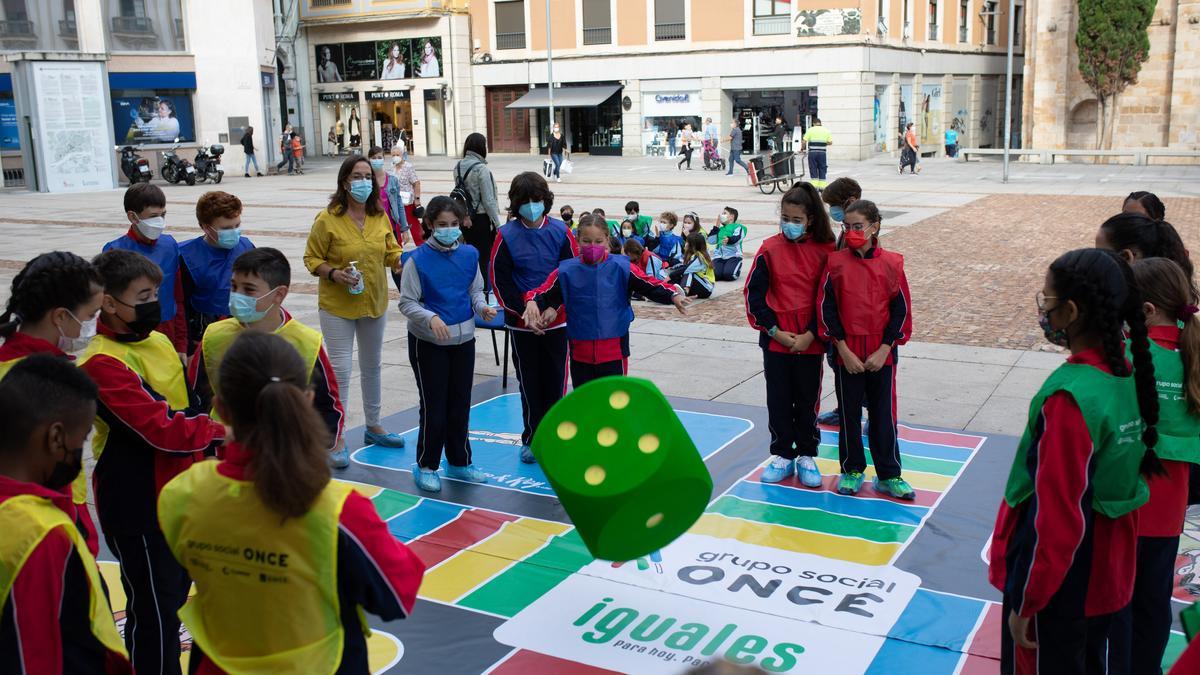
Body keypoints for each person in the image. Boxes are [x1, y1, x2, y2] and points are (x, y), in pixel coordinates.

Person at [158, 332, 425, 674]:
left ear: (220, 409)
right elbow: (396, 597)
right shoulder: (340, 511)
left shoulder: (181, 494)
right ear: (308, 399)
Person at [988, 248, 1160, 673]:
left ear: (1069, 311)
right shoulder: (1131, 368)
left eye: (1046, 300)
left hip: (1062, 583)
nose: (1042, 310)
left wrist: (1030, 600)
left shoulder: (1070, 398)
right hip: (1108, 572)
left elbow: (1059, 518)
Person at [81, 249, 226, 675]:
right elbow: (159, 428)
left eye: (156, 293)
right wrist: (226, 432)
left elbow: (194, 403)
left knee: (186, 598)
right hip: (139, 502)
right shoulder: (99, 359)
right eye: (143, 295)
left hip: (187, 493)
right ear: (109, 302)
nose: (155, 304)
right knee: (155, 610)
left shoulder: (158, 340)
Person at [0, 355, 132, 674]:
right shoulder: (41, 533)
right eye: (84, 437)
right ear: (56, 437)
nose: (80, 450)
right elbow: (33, 655)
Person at [1106, 257, 1200, 673]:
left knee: (1117, 599)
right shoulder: (1192, 350)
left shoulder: (1126, 354)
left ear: (1144, 309)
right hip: (1170, 504)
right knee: (1154, 596)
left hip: (1124, 500)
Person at [189, 246, 347, 467]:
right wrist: (207, 452)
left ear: (279, 294)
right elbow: (196, 400)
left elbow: (328, 407)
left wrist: (310, 453)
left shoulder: (307, 342)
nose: (237, 296)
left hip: (285, 460)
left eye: (249, 289)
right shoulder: (214, 335)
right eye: (234, 287)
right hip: (224, 455)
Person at [0, 252, 105, 556]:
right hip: (41, 530)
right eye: (90, 316)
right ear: (60, 316)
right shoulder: (39, 379)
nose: (93, 326)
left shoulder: (29, 364)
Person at [303, 155, 406, 451]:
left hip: (374, 301)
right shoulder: (328, 219)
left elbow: (391, 250)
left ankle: (374, 425)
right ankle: (336, 437)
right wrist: (334, 273)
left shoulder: (379, 215)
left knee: (373, 365)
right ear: (345, 182)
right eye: (356, 176)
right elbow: (312, 259)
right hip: (338, 306)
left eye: (367, 176)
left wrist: (399, 261)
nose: (362, 181)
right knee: (340, 371)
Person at [817, 200, 915, 500]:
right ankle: (852, 469)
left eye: (857, 226)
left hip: (880, 352)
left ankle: (889, 474)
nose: (851, 232)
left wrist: (885, 348)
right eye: (846, 226)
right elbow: (826, 310)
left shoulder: (892, 263)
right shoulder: (835, 264)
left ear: (874, 227)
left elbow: (901, 311)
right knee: (848, 414)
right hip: (848, 351)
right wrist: (842, 349)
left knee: (883, 415)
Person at [398, 197, 497, 492]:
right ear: (429, 225)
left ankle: (460, 461)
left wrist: (482, 308)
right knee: (434, 407)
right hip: (429, 344)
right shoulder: (416, 260)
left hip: (463, 340)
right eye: (442, 225)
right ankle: (427, 465)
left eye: (454, 224)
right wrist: (430, 318)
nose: (449, 230)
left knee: (460, 404)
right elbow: (407, 302)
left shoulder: (469, 255)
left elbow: (475, 290)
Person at [524, 215, 687, 388]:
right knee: (586, 403)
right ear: (578, 240)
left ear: (607, 240)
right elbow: (543, 292)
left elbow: (649, 284)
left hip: (615, 351)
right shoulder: (566, 270)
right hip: (581, 353)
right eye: (586, 241)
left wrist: (673, 295)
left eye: (598, 241)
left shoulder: (622, 267)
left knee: (613, 403)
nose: (593, 246)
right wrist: (532, 302)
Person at [746, 183, 838, 486]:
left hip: (810, 342)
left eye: (796, 220)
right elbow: (754, 295)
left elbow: (831, 296)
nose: (790, 225)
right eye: (785, 218)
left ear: (810, 219)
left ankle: (806, 454)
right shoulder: (769, 248)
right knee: (779, 398)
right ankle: (783, 453)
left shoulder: (827, 249)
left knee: (807, 398)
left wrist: (812, 334)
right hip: (777, 341)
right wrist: (774, 331)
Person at [490, 172, 579, 463]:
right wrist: (523, 312)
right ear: (515, 204)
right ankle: (532, 436)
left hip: (557, 320)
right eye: (525, 201)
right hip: (522, 325)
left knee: (555, 382)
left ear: (546, 201)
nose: (531, 206)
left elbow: (570, 273)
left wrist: (553, 307)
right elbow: (499, 279)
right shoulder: (505, 235)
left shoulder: (560, 231)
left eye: (537, 200)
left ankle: (555, 436)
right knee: (529, 383)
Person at [103, 182, 187, 356]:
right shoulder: (114, 251)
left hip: (168, 328)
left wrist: (181, 344)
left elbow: (177, 297)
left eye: (163, 215)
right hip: (132, 334)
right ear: (133, 217)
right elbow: (108, 309)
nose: (160, 222)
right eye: (153, 216)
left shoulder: (170, 245)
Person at [815, 176, 865, 428]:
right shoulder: (846, 230)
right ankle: (844, 407)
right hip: (839, 312)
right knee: (838, 363)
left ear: (851, 201)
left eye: (834, 205)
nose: (832, 211)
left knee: (857, 368)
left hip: (853, 315)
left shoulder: (860, 234)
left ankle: (870, 413)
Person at [179, 191, 255, 352]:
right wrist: (188, 346)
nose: (234, 232)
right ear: (206, 227)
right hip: (204, 335)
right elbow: (181, 305)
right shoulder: (186, 257)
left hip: (243, 332)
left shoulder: (246, 247)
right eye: (226, 228)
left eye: (237, 226)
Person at [455, 133, 503, 286]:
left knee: (468, 255)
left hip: (465, 219)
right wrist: (497, 223)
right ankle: (482, 291)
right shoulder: (481, 169)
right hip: (481, 220)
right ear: (481, 147)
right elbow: (488, 200)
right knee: (483, 258)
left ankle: (469, 286)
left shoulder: (458, 166)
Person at [1095, 213, 1195, 285]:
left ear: (1126, 257)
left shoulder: (1129, 304)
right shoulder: (1166, 296)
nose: (1095, 262)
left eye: (1100, 255)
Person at [390, 144, 424, 245]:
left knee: (413, 224)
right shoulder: (392, 167)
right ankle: (399, 245)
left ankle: (422, 244)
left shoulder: (408, 167)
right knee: (397, 224)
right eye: (393, 155)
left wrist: (417, 199)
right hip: (396, 201)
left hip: (407, 201)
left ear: (402, 155)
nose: (395, 157)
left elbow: (416, 183)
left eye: (397, 154)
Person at [670, 232, 716, 299]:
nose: (685, 244)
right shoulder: (691, 255)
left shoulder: (699, 256)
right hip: (697, 286)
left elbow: (686, 268)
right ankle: (668, 292)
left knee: (689, 272)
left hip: (706, 288)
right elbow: (681, 267)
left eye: (687, 242)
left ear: (692, 246)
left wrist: (670, 276)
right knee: (677, 276)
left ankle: (685, 291)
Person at [711, 206, 748, 281]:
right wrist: (716, 227)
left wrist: (729, 239)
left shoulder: (738, 227)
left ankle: (737, 266)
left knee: (729, 275)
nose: (722, 215)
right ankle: (723, 268)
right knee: (715, 276)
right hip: (719, 257)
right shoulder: (720, 229)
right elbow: (711, 241)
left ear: (731, 217)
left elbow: (738, 238)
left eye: (724, 213)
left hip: (733, 256)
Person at [801, 118, 832, 189]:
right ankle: (822, 186)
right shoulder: (826, 130)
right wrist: (823, 143)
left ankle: (814, 186)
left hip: (813, 153)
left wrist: (802, 148)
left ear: (813, 123)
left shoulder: (810, 130)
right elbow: (830, 142)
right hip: (822, 153)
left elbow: (804, 141)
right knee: (822, 167)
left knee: (813, 167)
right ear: (820, 123)